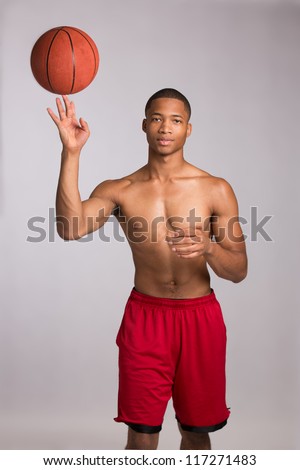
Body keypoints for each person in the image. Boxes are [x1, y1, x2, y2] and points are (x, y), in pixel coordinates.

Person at [47, 89, 247, 450]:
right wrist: (71, 153)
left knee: (196, 433)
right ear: (144, 125)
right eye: (156, 118)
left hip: (200, 318)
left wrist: (209, 247)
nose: (165, 128)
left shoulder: (215, 189)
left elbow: (238, 270)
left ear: (188, 129)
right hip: (146, 319)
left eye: (175, 120)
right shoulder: (121, 189)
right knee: (140, 435)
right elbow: (69, 228)